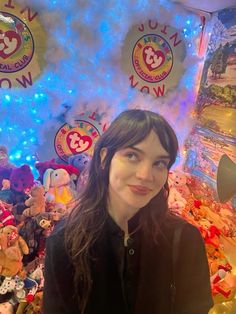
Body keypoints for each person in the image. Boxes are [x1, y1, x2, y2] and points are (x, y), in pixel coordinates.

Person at [43, 109, 213, 314]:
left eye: (159, 163)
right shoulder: (65, 243)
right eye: (132, 155)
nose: (145, 175)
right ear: (105, 158)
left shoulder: (184, 239)